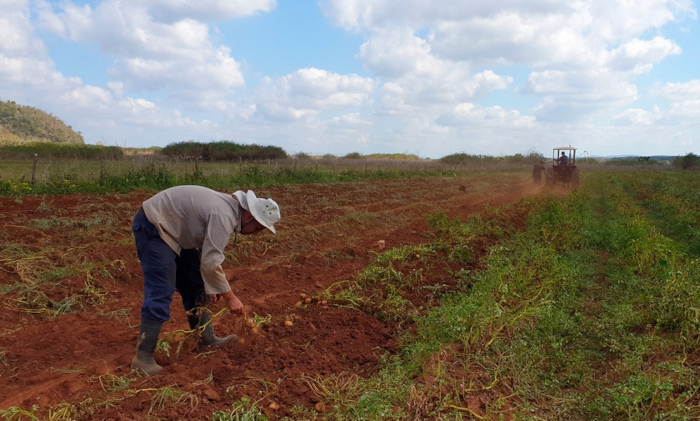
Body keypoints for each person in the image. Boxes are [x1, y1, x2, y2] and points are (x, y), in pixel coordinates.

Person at [130, 185, 281, 375]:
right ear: (249, 216)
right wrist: (230, 297)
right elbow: (211, 263)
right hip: (155, 227)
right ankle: (142, 358)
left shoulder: (229, 212)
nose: (257, 232)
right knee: (161, 289)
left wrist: (213, 285)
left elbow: (206, 253)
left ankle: (206, 340)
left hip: (178, 233)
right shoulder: (224, 216)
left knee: (196, 284)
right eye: (258, 228)